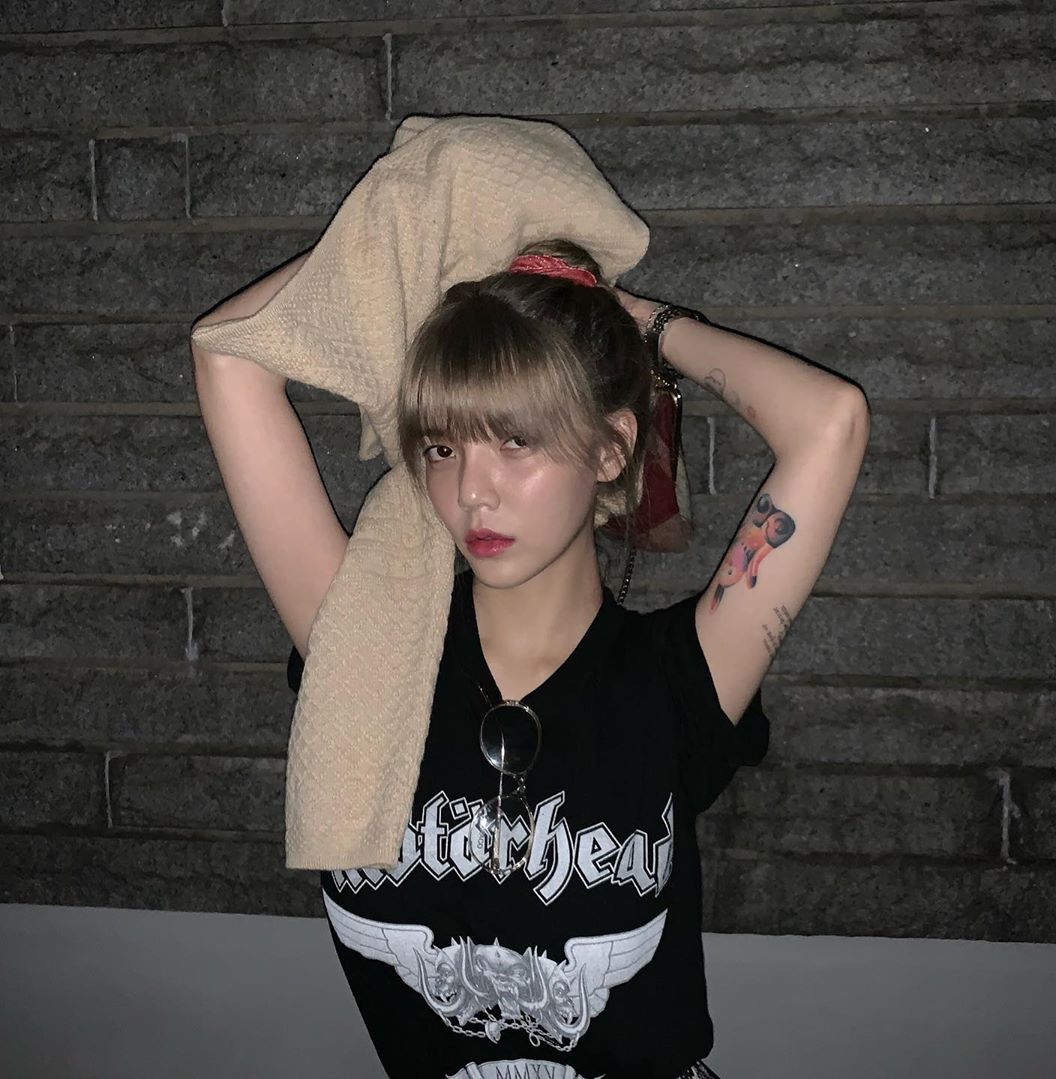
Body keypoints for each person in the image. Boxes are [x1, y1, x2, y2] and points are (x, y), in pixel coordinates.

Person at [193, 237, 870, 1079]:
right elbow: (227, 356)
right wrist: (429, 238)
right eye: (443, 447)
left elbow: (831, 422)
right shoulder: (366, 650)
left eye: (515, 440)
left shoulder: (677, 679)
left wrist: (638, 323)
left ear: (610, 447)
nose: (471, 490)